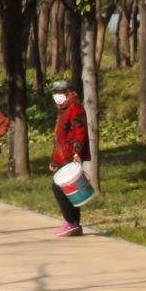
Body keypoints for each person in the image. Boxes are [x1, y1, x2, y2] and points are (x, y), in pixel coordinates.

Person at [48, 78, 90, 237]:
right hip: (61, 154)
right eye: (55, 93)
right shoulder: (62, 109)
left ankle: (70, 221)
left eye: (61, 92)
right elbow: (59, 137)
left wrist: (77, 151)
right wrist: (54, 159)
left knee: (60, 186)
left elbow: (79, 131)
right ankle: (74, 224)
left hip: (71, 154)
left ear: (69, 93)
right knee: (69, 187)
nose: (57, 96)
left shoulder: (75, 108)